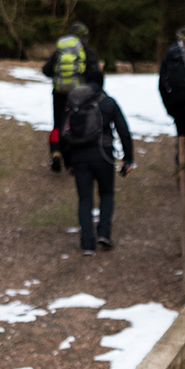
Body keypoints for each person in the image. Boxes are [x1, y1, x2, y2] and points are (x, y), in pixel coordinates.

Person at [59, 73, 135, 256]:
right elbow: (124, 131)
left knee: (85, 199)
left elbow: (64, 133)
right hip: (103, 155)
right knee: (106, 193)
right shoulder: (108, 103)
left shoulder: (76, 102)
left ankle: (87, 244)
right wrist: (128, 159)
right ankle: (103, 234)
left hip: (79, 157)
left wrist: (68, 162)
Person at [42, 22, 99, 172]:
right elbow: (94, 74)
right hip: (79, 94)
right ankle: (70, 163)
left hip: (59, 93)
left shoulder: (60, 49)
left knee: (58, 124)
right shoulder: (88, 51)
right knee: (74, 125)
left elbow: (46, 70)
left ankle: (55, 152)